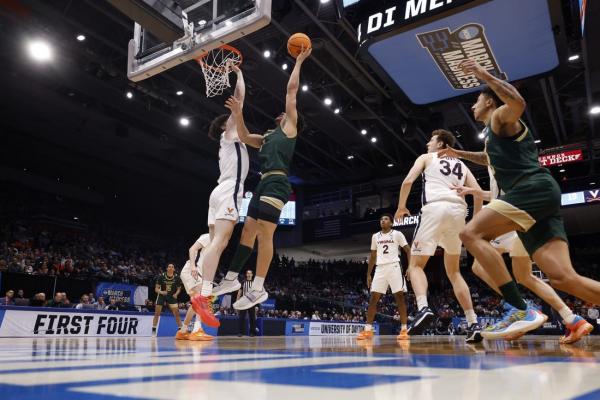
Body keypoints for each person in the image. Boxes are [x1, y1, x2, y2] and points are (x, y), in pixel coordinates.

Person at [438, 58, 600, 339]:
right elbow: (487, 158)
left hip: (530, 189)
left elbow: (518, 104)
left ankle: (519, 309)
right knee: (564, 278)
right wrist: (460, 154)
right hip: (537, 197)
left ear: (489, 102)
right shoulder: (492, 134)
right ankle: (565, 317)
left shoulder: (501, 116)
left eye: (477, 100)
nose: (473, 106)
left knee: (470, 233)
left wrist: (484, 75)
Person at [212, 47, 312, 311]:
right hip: (262, 184)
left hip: (278, 183)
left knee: (264, 236)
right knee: (247, 231)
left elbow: (291, 91)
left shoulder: (289, 128)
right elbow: (244, 136)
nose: (281, 113)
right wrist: (237, 113)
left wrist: (299, 61)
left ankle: (258, 287)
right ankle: (232, 279)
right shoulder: (267, 136)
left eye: (286, 113)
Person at [455, 173, 593, 344]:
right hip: (524, 215)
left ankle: (523, 309)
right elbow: (497, 193)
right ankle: (572, 319)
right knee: (525, 276)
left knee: (479, 266)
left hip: (508, 213)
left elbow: (502, 196)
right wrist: (475, 191)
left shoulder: (498, 153)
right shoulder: (512, 164)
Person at [395, 129, 484, 343]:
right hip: (458, 213)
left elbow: (407, 181)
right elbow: (479, 192)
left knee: (415, 265)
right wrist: (476, 221)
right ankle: (473, 323)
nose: (427, 144)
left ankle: (423, 308)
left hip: (434, 209)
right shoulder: (461, 165)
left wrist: (401, 207)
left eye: (431, 140)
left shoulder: (426, 158)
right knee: (454, 272)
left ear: (441, 144)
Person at [189, 62, 249, 327]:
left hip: (218, 193)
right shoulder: (231, 134)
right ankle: (203, 296)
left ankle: (203, 295)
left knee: (216, 244)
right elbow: (241, 97)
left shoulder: (229, 142)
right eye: (232, 119)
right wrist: (238, 73)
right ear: (226, 126)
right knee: (219, 243)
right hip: (228, 193)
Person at [357, 214, 411, 341]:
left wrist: (410, 267)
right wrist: (368, 273)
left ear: (391, 223)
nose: (383, 221)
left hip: (394, 266)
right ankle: (368, 330)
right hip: (380, 268)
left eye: (386, 219)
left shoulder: (397, 234)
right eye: (381, 219)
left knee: (399, 297)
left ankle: (404, 330)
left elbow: (408, 250)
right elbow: (373, 255)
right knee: (373, 299)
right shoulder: (375, 236)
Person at [178, 233, 213, 341]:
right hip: (192, 271)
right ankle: (197, 330)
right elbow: (192, 249)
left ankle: (182, 331)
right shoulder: (208, 237)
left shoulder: (218, 244)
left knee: (195, 304)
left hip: (199, 274)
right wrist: (193, 267)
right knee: (200, 300)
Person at [152, 264, 183, 335]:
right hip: (162, 295)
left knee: (176, 314)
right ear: (167, 268)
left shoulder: (177, 278)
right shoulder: (161, 276)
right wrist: (161, 292)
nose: (171, 268)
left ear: (174, 269)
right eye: (169, 267)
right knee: (157, 313)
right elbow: (156, 289)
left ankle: (180, 330)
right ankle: (153, 329)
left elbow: (179, 289)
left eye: (172, 267)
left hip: (172, 296)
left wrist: (176, 294)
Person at [237, 270, 257, 337]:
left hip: (251, 302)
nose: (249, 274)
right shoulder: (243, 282)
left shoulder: (254, 283)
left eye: (250, 273)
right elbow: (240, 292)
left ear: (252, 274)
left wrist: (256, 302)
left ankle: (252, 333)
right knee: (241, 317)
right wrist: (237, 300)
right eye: (247, 273)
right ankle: (240, 332)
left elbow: (257, 293)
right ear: (246, 274)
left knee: (252, 318)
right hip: (244, 302)